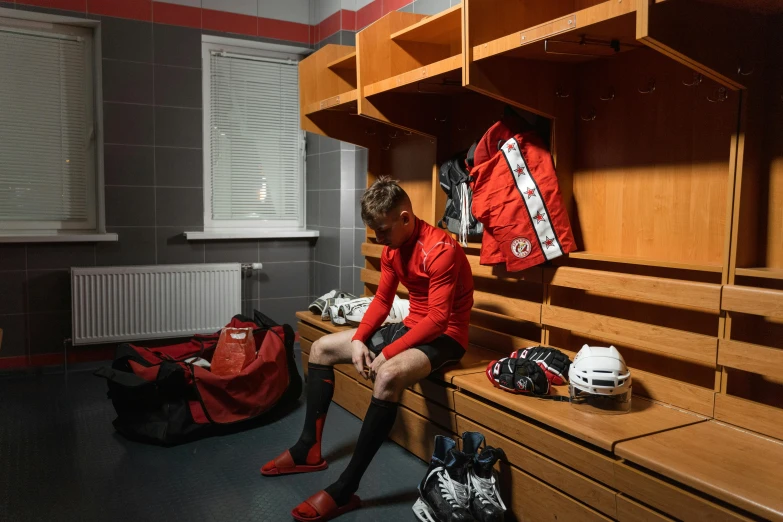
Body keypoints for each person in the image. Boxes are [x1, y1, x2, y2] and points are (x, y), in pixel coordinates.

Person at [262, 177, 474, 521]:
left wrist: (388, 353)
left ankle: (346, 488)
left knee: (387, 376)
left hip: (446, 337)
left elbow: (437, 321)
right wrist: (360, 338)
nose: (379, 239)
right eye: (374, 231)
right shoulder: (393, 248)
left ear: (405, 218)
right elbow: (382, 301)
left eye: (384, 230)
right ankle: (307, 451)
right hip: (410, 327)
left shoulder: (440, 251)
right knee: (321, 349)